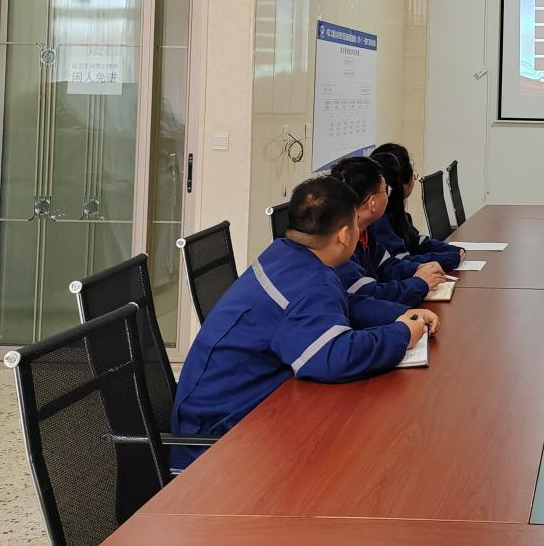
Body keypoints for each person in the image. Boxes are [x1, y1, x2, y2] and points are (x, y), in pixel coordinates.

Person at [170, 176, 439, 468]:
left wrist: (399, 315)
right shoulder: (311, 283)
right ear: (344, 235)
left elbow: (344, 304)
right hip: (214, 443)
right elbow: (335, 356)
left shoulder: (285, 254)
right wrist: (402, 334)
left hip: (236, 409)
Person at [329, 154, 441, 306]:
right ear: (372, 202)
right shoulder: (340, 241)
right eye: (386, 190)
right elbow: (368, 296)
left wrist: (418, 269)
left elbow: (386, 266)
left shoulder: (365, 230)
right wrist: (418, 284)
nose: (389, 194)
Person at [371, 143, 463, 271]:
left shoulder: (396, 213)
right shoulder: (378, 222)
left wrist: (453, 250)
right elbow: (400, 262)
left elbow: (418, 242)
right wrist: (448, 258)